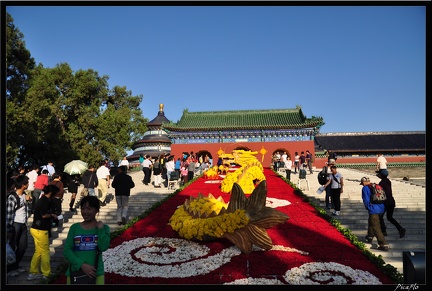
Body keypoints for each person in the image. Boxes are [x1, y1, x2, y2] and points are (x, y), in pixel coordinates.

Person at [63, 195, 111, 285]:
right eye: (83, 208)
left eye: (89, 208)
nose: (85, 212)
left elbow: (103, 247)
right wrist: (82, 265)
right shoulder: (74, 228)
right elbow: (67, 251)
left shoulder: (104, 228)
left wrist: (100, 230)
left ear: (97, 210)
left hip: (96, 274)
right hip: (75, 273)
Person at [28, 184, 60, 280]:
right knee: (45, 252)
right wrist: (52, 215)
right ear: (51, 193)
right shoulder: (45, 201)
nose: (56, 195)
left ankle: (33, 272)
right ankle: (46, 273)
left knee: (38, 251)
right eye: (55, 193)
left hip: (35, 228)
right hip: (41, 230)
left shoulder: (42, 199)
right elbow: (44, 215)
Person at [6, 175, 31, 278]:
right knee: (12, 247)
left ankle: (15, 265)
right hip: (15, 224)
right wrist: (8, 228)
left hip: (23, 223)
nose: (28, 185)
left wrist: (29, 201)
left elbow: (27, 210)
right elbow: (9, 213)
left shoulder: (24, 195)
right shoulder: (13, 196)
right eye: (27, 183)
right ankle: (9, 269)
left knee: (23, 246)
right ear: (23, 185)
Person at [360, 177, 390, 251]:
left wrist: (368, 207)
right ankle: (370, 236)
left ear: (363, 182)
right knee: (371, 221)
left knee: (376, 226)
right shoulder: (376, 186)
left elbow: (366, 199)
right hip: (381, 208)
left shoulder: (365, 188)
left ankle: (383, 243)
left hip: (373, 209)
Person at [377, 171, 406, 238]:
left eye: (379, 174)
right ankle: (400, 229)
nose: (378, 175)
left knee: (380, 216)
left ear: (381, 175)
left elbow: (381, 193)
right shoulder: (388, 181)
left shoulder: (382, 183)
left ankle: (383, 231)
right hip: (391, 201)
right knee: (389, 217)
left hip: (386, 202)